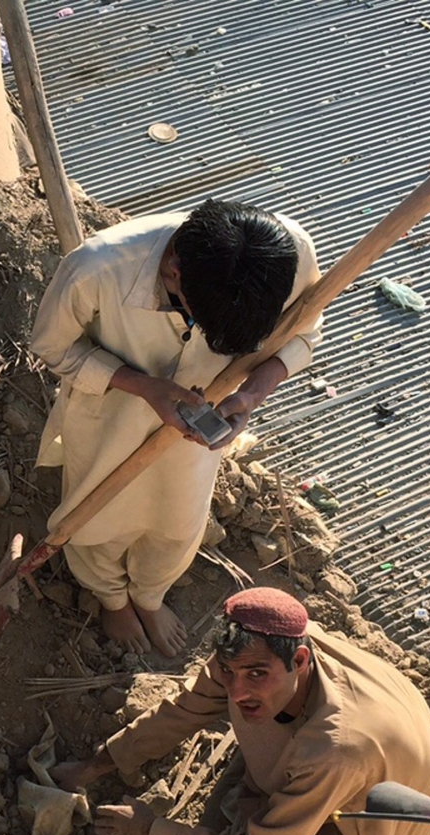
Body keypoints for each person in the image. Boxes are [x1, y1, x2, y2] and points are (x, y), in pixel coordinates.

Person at [54, 588, 430, 835]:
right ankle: (268, 817)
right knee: (219, 832)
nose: (238, 691)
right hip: (360, 773)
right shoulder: (256, 645)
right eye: (229, 674)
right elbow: (184, 712)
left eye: (257, 675)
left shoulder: (333, 748)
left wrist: (148, 831)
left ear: (300, 659)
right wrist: (94, 766)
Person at [30, 200, 322, 658]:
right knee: (96, 515)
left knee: (179, 519)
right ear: (173, 273)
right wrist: (145, 387)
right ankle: (110, 596)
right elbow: (52, 347)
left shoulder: (287, 257)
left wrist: (251, 394)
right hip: (109, 414)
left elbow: (303, 333)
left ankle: (149, 595)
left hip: (197, 436)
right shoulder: (98, 268)